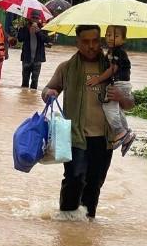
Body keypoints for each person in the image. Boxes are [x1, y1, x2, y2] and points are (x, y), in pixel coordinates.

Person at [42, 24, 134, 219]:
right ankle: (66, 223)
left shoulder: (113, 68)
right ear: (77, 42)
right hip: (75, 136)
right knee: (74, 179)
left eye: (95, 41)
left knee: (95, 183)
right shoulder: (66, 68)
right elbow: (49, 90)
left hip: (104, 139)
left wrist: (121, 96)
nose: (91, 46)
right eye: (85, 42)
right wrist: (49, 93)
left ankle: (87, 224)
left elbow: (129, 104)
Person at [85, 25, 136, 156]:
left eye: (115, 36)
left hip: (119, 84)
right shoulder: (111, 53)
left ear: (123, 39)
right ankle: (126, 134)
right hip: (122, 83)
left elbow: (112, 69)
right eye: (108, 35)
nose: (110, 38)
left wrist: (98, 79)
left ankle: (121, 132)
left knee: (109, 108)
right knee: (117, 110)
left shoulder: (118, 52)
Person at [17, 11, 48, 90]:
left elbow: (47, 40)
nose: (34, 20)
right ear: (30, 18)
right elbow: (20, 39)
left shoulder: (43, 28)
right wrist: (23, 30)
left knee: (35, 81)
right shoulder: (25, 27)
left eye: (36, 18)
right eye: (33, 18)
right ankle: (24, 100)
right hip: (26, 58)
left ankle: (32, 99)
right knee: (25, 81)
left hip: (37, 59)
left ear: (39, 19)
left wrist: (38, 32)